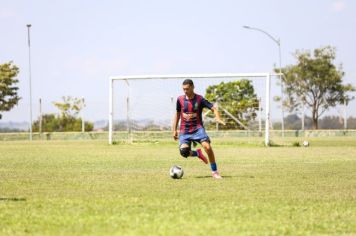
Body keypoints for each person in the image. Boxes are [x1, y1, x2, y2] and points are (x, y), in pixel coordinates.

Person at [172, 79, 225, 179]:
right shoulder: (180, 99)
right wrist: (174, 130)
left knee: (208, 147)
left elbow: (213, 108)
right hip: (184, 130)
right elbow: (177, 115)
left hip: (197, 129)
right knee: (184, 152)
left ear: (193, 87)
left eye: (187, 89)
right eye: (183, 89)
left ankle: (215, 172)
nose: (185, 91)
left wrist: (218, 117)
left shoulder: (200, 99)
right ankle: (197, 153)